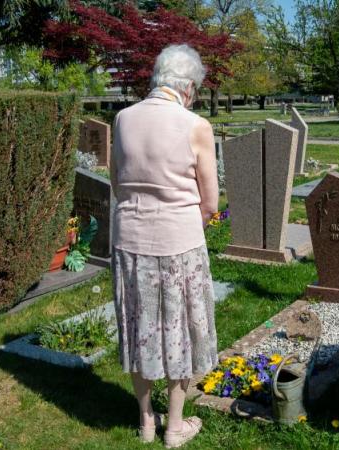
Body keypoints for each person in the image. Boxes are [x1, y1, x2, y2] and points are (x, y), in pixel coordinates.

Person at [109, 44, 219, 448]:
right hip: (178, 243)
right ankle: (174, 427)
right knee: (181, 333)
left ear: (157, 79)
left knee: (140, 327)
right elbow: (210, 202)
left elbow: (118, 182)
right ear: (188, 88)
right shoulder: (195, 126)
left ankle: (145, 422)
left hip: (129, 241)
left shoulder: (122, 119)